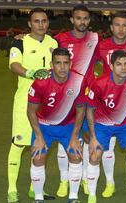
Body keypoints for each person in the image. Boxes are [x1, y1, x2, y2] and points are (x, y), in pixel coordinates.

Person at [7, 8, 58, 203]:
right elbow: (13, 65)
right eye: (36, 21)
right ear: (29, 24)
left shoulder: (53, 43)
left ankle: (33, 189)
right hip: (25, 102)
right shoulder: (19, 42)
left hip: (47, 103)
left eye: (44, 21)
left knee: (40, 145)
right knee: (19, 143)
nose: (41, 25)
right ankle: (12, 189)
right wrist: (32, 73)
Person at [86, 50, 126, 203]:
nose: (123, 68)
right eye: (119, 64)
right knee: (94, 156)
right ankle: (92, 196)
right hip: (102, 124)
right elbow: (89, 110)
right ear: (111, 66)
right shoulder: (99, 84)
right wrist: (92, 137)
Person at [28, 47, 86, 203]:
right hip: (44, 126)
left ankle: (73, 197)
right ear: (52, 64)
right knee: (38, 156)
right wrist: (39, 137)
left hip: (68, 126)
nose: (62, 67)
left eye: (65, 63)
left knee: (76, 156)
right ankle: (38, 198)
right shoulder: (41, 82)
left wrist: (74, 136)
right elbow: (31, 111)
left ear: (71, 63)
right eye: (58, 63)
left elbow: (81, 111)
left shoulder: (79, 80)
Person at [54, 4, 100, 196]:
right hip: (65, 96)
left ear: (89, 20)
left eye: (86, 18)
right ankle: (64, 180)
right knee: (64, 138)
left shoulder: (95, 39)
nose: (82, 22)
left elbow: (115, 47)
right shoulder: (60, 39)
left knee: (89, 137)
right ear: (72, 20)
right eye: (78, 18)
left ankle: (82, 178)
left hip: (87, 96)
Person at [95, 12, 126, 198]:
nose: (121, 29)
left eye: (125, 25)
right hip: (107, 100)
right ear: (111, 27)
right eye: (117, 25)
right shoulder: (102, 45)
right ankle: (109, 183)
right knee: (108, 146)